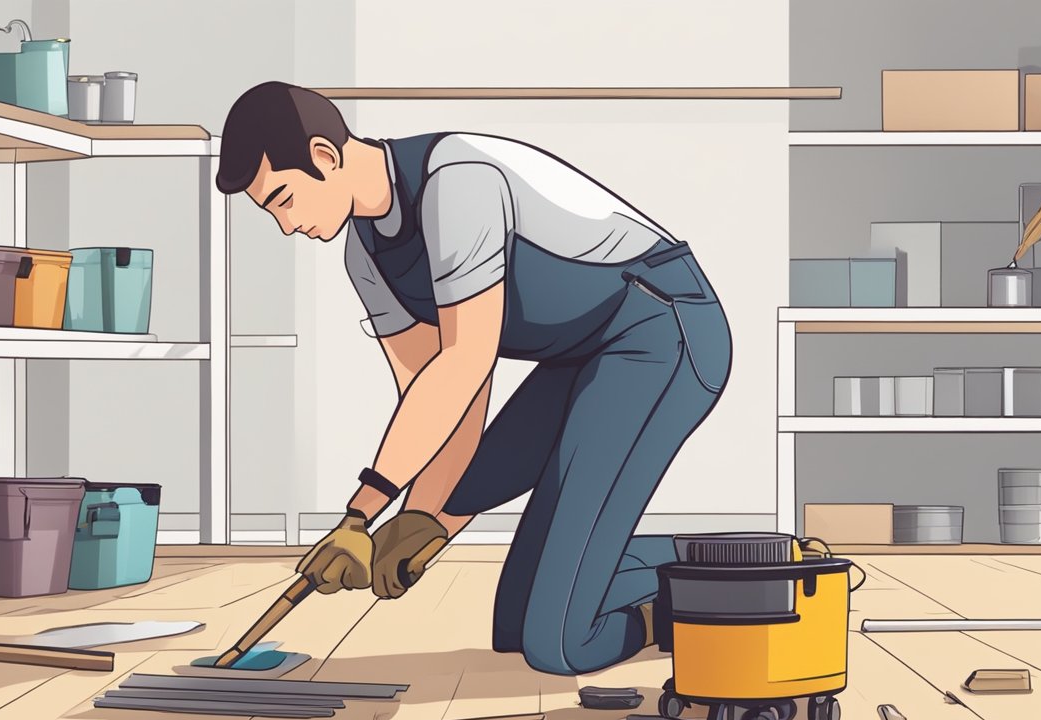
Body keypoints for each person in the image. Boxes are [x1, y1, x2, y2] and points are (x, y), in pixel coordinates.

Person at [216, 82, 732, 675]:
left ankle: (716, 591)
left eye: (283, 198)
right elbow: (437, 398)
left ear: (324, 157)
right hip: (582, 360)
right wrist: (424, 524)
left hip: (664, 331)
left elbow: (464, 362)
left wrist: (361, 514)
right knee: (515, 625)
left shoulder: (456, 182)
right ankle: (667, 563)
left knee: (562, 643)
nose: (286, 225)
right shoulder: (364, 256)